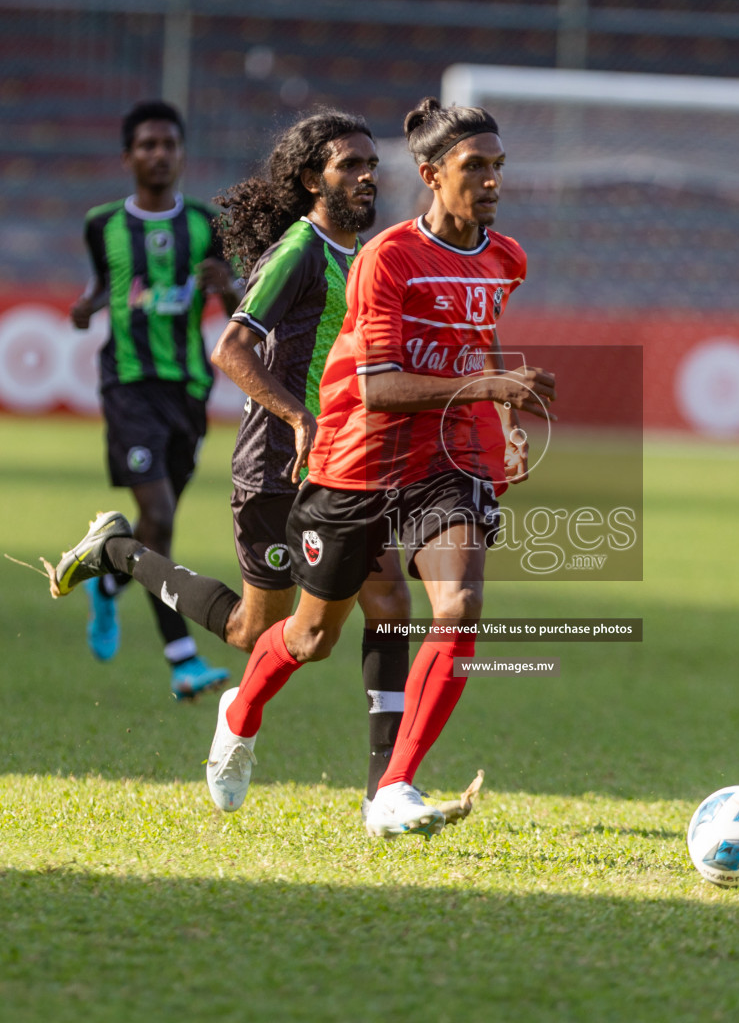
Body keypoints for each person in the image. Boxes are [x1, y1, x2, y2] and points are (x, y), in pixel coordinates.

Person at [45, 109, 482, 819]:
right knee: (260, 630)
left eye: (373, 163)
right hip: (279, 465)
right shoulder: (298, 251)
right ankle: (120, 551)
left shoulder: (371, 254)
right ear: (312, 180)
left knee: (389, 607)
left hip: (348, 465)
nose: (369, 175)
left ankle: (385, 792)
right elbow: (232, 349)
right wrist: (297, 415)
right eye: (350, 165)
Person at [202, 96, 555, 838]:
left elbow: (477, 336)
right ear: (430, 173)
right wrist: (489, 387)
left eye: (498, 166)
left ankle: (395, 786)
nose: (492, 180)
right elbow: (377, 388)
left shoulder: (506, 258)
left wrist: (503, 419)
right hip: (355, 463)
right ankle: (241, 710)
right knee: (310, 639)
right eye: (474, 167)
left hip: (444, 459)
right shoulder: (386, 258)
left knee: (456, 606)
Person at [68, 100, 239, 701]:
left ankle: (109, 579)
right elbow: (101, 283)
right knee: (160, 520)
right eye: (147, 145)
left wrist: (232, 285)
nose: (159, 154)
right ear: (128, 157)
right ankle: (183, 658)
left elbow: (232, 291)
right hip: (128, 384)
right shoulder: (102, 225)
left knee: (153, 529)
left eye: (169, 144)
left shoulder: (204, 224)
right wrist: (88, 305)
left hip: (188, 389)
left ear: (181, 154)